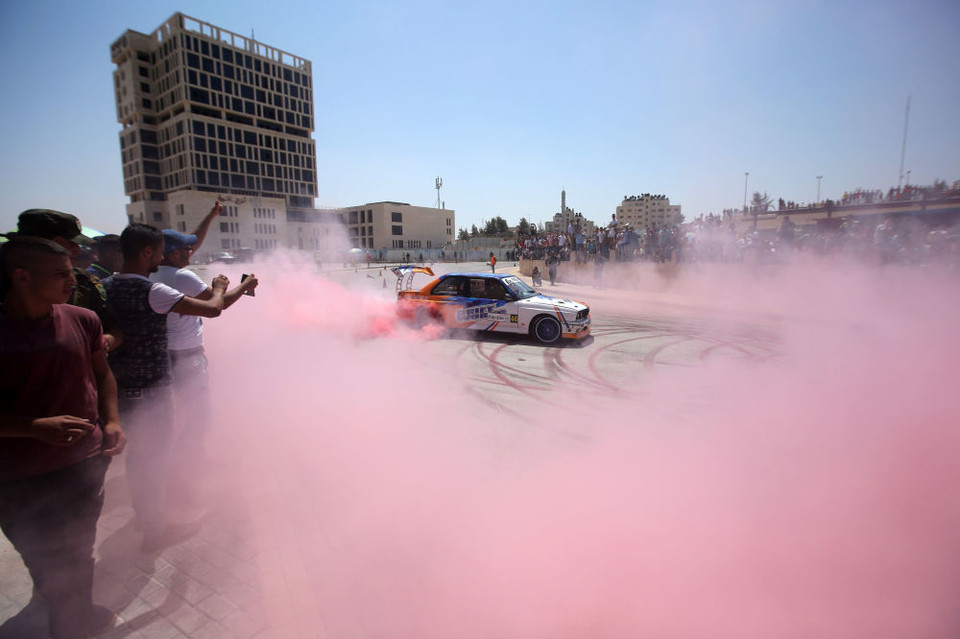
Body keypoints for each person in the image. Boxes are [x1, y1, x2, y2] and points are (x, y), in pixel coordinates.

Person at [0, 237, 126, 639]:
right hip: (17, 477)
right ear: (21, 276)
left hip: (83, 465)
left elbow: (102, 374)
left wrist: (111, 421)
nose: (71, 281)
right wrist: (33, 427)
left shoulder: (83, 319)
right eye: (60, 274)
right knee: (45, 559)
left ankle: (74, 618)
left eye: (71, 272)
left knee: (76, 553)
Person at [102, 224, 229, 552]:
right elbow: (214, 308)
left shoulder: (104, 286)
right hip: (152, 385)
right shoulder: (150, 290)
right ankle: (155, 527)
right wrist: (221, 285)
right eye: (158, 251)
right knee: (151, 457)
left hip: (122, 383)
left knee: (141, 458)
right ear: (147, 252)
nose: (161, 258)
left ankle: (152, 515)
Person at [151, 228, 258, 493]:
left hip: (162, 355)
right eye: (187, 249)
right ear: (173, 253)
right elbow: (216, 306)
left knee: (172, 416)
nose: (191, 252)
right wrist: (244, 286)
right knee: (198, 416)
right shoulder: (181, 275)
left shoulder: (150, 274)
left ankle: (176, 465)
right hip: (186, 357)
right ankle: (186, 470)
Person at [6, 209, 121, 352]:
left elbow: (114, 328)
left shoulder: (83, 281)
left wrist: (101, 345)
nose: (78, 251)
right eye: (71, 243)